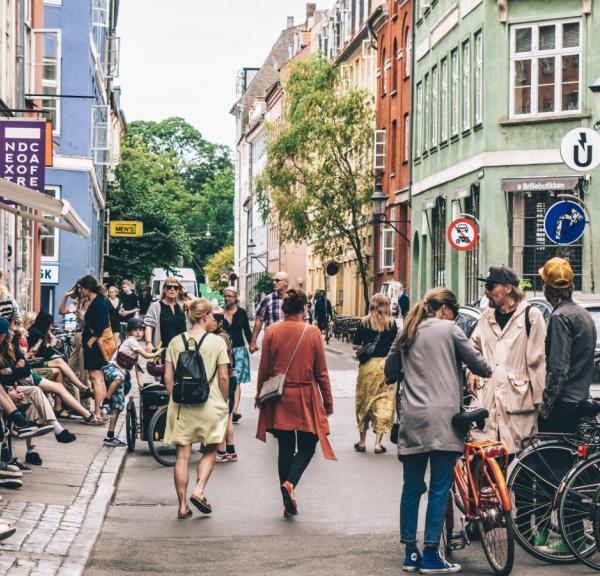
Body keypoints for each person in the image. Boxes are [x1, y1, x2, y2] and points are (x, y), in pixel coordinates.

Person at [385, 287, 492, 574]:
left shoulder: (407, 330)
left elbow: (389, 370)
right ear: (445, 310)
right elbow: (478, 364)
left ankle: (410, 552)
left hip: (413, 420)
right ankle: (432, 554)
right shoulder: (450, 329)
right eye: (454, 313)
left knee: (411, 487)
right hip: (445, 420)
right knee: (439, 488)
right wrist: (486, 369)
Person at [256, 289, 335, 518]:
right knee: (308, 446)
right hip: (305, 397)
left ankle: (287, 495)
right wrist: (327, 401)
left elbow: (264, 367)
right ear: (303, 309)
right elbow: (321, 372)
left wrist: (259, 395)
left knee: (285, 448)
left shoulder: (272, 331)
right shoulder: (312, 333)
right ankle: (290, 485)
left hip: (280, 397)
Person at [467, 266, 547, 454]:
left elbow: (538, 361)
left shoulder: (531, 316)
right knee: (485, 463)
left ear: (508, 288)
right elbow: (473, 348)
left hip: (517, 403)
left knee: (517, 463)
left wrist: (541, 404)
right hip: (487, 401)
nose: (486, 292)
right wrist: (471, 371)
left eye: (491, 287)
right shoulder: (486, 316)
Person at [163, 299, 230, 519]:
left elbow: (168, 377)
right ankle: (199, 490)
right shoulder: (217, 342)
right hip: (209, 403)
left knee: (182, 455)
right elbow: (223, 376)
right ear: (204, 316)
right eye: (212, 316)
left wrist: (176, 398)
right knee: (210, 449)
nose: (214, 320)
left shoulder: (174, 342)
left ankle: (182, 506)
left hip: (182, 405)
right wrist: (225, 400)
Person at [539, 257, 596, 433]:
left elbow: (558, 369)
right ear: (570, 287)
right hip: (580, 399)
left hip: (564, 405)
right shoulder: (583, 314)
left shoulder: (560, 317)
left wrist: (545, 408)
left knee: (550, 459)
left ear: (547, 289)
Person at [352, 293, 398, 454]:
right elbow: (395, 347)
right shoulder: (392, 324)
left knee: (364, 401)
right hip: (386, 365)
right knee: (384, 402)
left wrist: (366, 346)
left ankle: (362, 442)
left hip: (367, 367)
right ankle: (378, 444)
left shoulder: (363, 322)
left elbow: (356, 346)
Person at [26, 311, 89, 400]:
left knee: (60, 366)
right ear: (46, 324)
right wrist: (52, 344)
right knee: (60, 362)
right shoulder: (37, 334)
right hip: (34, 363)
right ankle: (81, 387)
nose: (51, 327)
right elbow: (45, 354)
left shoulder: (35, 331)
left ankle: (61, 404)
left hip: (36, 361)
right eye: (50, 325)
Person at [78, 275, 110, 421]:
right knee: (99, 378)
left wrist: (91, 341)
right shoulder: (99, 301)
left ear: (87, 288)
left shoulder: (99, 303)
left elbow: (101, 325)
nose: (79, 291)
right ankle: (101, 411)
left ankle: (97, 413)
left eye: (81, 288)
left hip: (95, 346)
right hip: (95, 346)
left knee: (95, 378)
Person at [210, 307, 238, 463]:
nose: (209, 322)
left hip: (225, 378)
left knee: (222, 415)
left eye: (212, 320)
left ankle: (221, 451)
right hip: (230, 377)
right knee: (227, 416)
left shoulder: (219, 338)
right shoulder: (224, 335)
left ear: (219, 322)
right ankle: (231, 450)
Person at [223, 286, 251, 424]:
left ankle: (234, 411)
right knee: (225, 378)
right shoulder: (220, 312)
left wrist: (252, 344)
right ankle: (225, 407)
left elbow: (247, 330)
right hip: (223, 350)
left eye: (230, 296)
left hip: (239, 350)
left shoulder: (242, 313)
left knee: (237, 380)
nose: (227, 298)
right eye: (225, 296)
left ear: (236, 298)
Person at [59, 283, 90, 401]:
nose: (80, 290)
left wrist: (82, 317)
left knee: (84, 375)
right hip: (77, 336)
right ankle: (75, 403)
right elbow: (62, 311)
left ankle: (86, 407)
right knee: (68, 373)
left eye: (81, 288)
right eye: (78, 288)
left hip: (86, 335)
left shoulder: (92, 302)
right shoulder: (78, 302)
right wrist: (66, 296)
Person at [144, 277, 187, 354]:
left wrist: (187, 293)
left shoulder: (183, 306)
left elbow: (202, 304)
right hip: (163, 350)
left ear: (179, 290)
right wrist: (149, 343)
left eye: (176, 287)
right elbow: (149, 325)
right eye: (169, 287)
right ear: (164, 289)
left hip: (182, 350)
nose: (172, 289)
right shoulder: (156, 306)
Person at [249, 272, 289, 353]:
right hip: (272, 341)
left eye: (277, 280)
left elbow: (304, 319)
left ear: (286, 282)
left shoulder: (294, 299)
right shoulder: (267, 299)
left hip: (290, 340)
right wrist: (253, 342)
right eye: (273, 280)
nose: (274, 282)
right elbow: (259, 320)